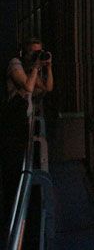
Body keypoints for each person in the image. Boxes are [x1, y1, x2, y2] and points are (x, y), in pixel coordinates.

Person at [0, 37, 53, 233]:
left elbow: (47, 88)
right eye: (33, 52)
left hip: (22, 128)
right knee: (12, 177)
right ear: (23, 52)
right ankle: (10, 225)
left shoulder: (32, 69)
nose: (36, 56)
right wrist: (36, 66)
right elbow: (29, 87)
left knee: (20, 176)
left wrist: (47, 67)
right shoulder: (15, 65)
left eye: (39, 51)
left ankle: (18, 224)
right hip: (10, 130)